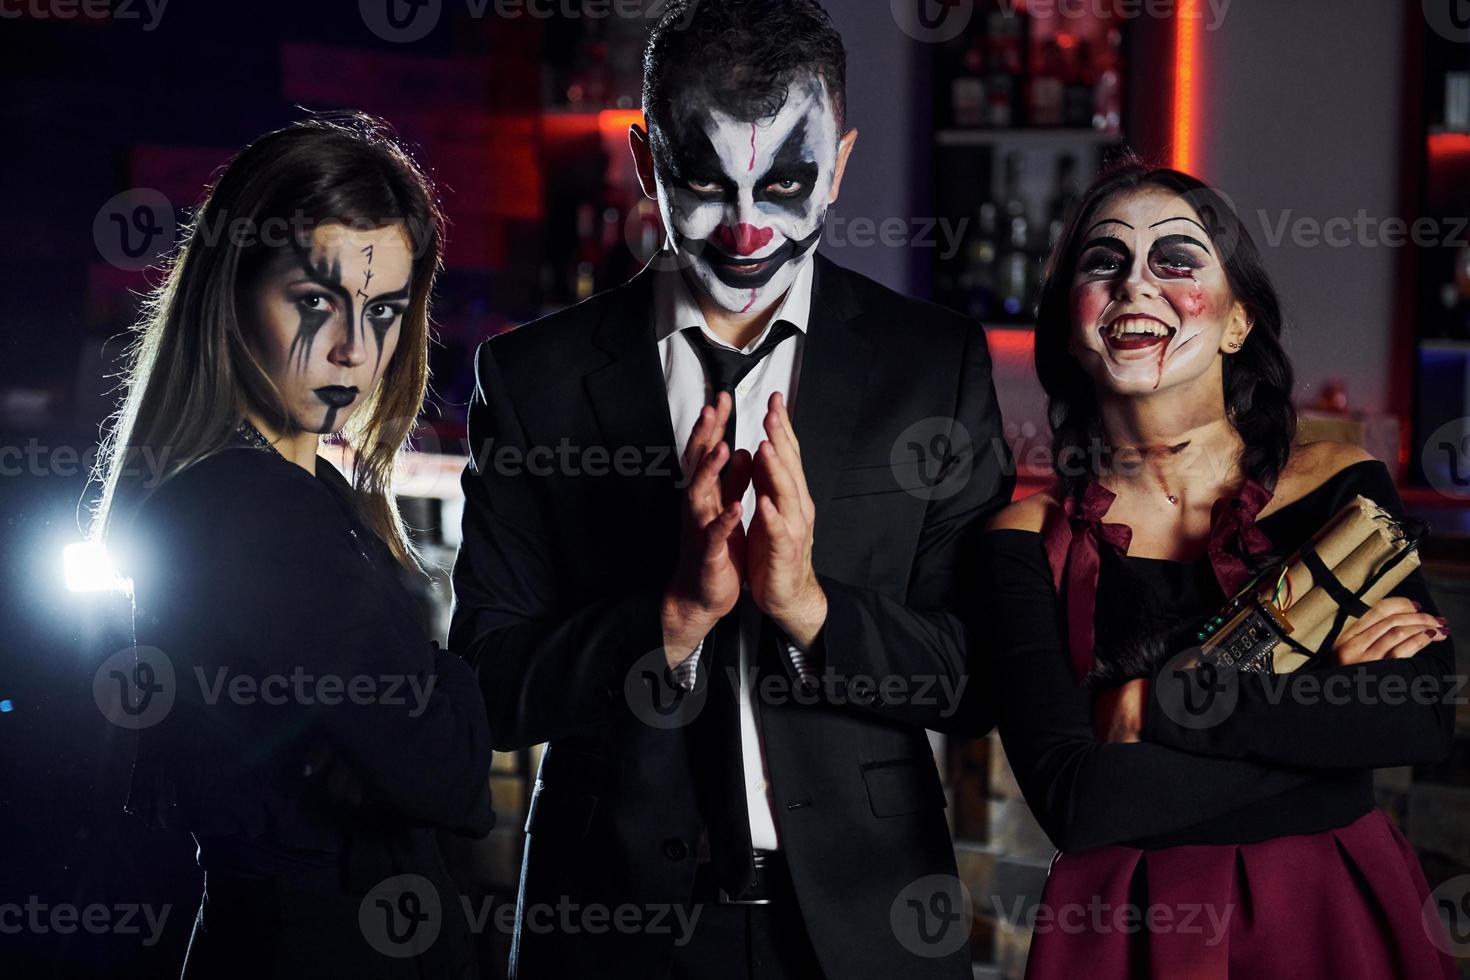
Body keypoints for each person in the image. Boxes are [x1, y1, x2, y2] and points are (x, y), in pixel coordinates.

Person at [449, 1, 1012, 976]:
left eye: (786, 182)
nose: (748, 226)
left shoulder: (935, 367)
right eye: (705, 180)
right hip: (609, 930)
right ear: (643, 158)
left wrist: (810, 606)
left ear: (839, 164)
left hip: (866, 927)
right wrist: (667, 618)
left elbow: (976, 676)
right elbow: (488, 688)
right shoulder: (533, 379)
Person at [980, 157, 1458, 978]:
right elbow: (1079, 802)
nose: (1136, 285)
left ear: (1238, 323)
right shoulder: (1025, 538)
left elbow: (1412, 718)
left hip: (1328, 904)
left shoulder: (1340, 485)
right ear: (1071, 323)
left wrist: (1159, 710)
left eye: (1176, 260)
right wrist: (1320, 716)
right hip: (1125, 926)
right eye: (1105, 263)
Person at [93, 113, 494, 979]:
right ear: (233, 291)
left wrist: (412, 703)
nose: (354, 347)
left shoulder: (296, 493)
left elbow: (413, 757)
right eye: (314, 302)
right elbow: (448, 779)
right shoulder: (248, 506)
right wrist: (444, 677)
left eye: (383, 309)